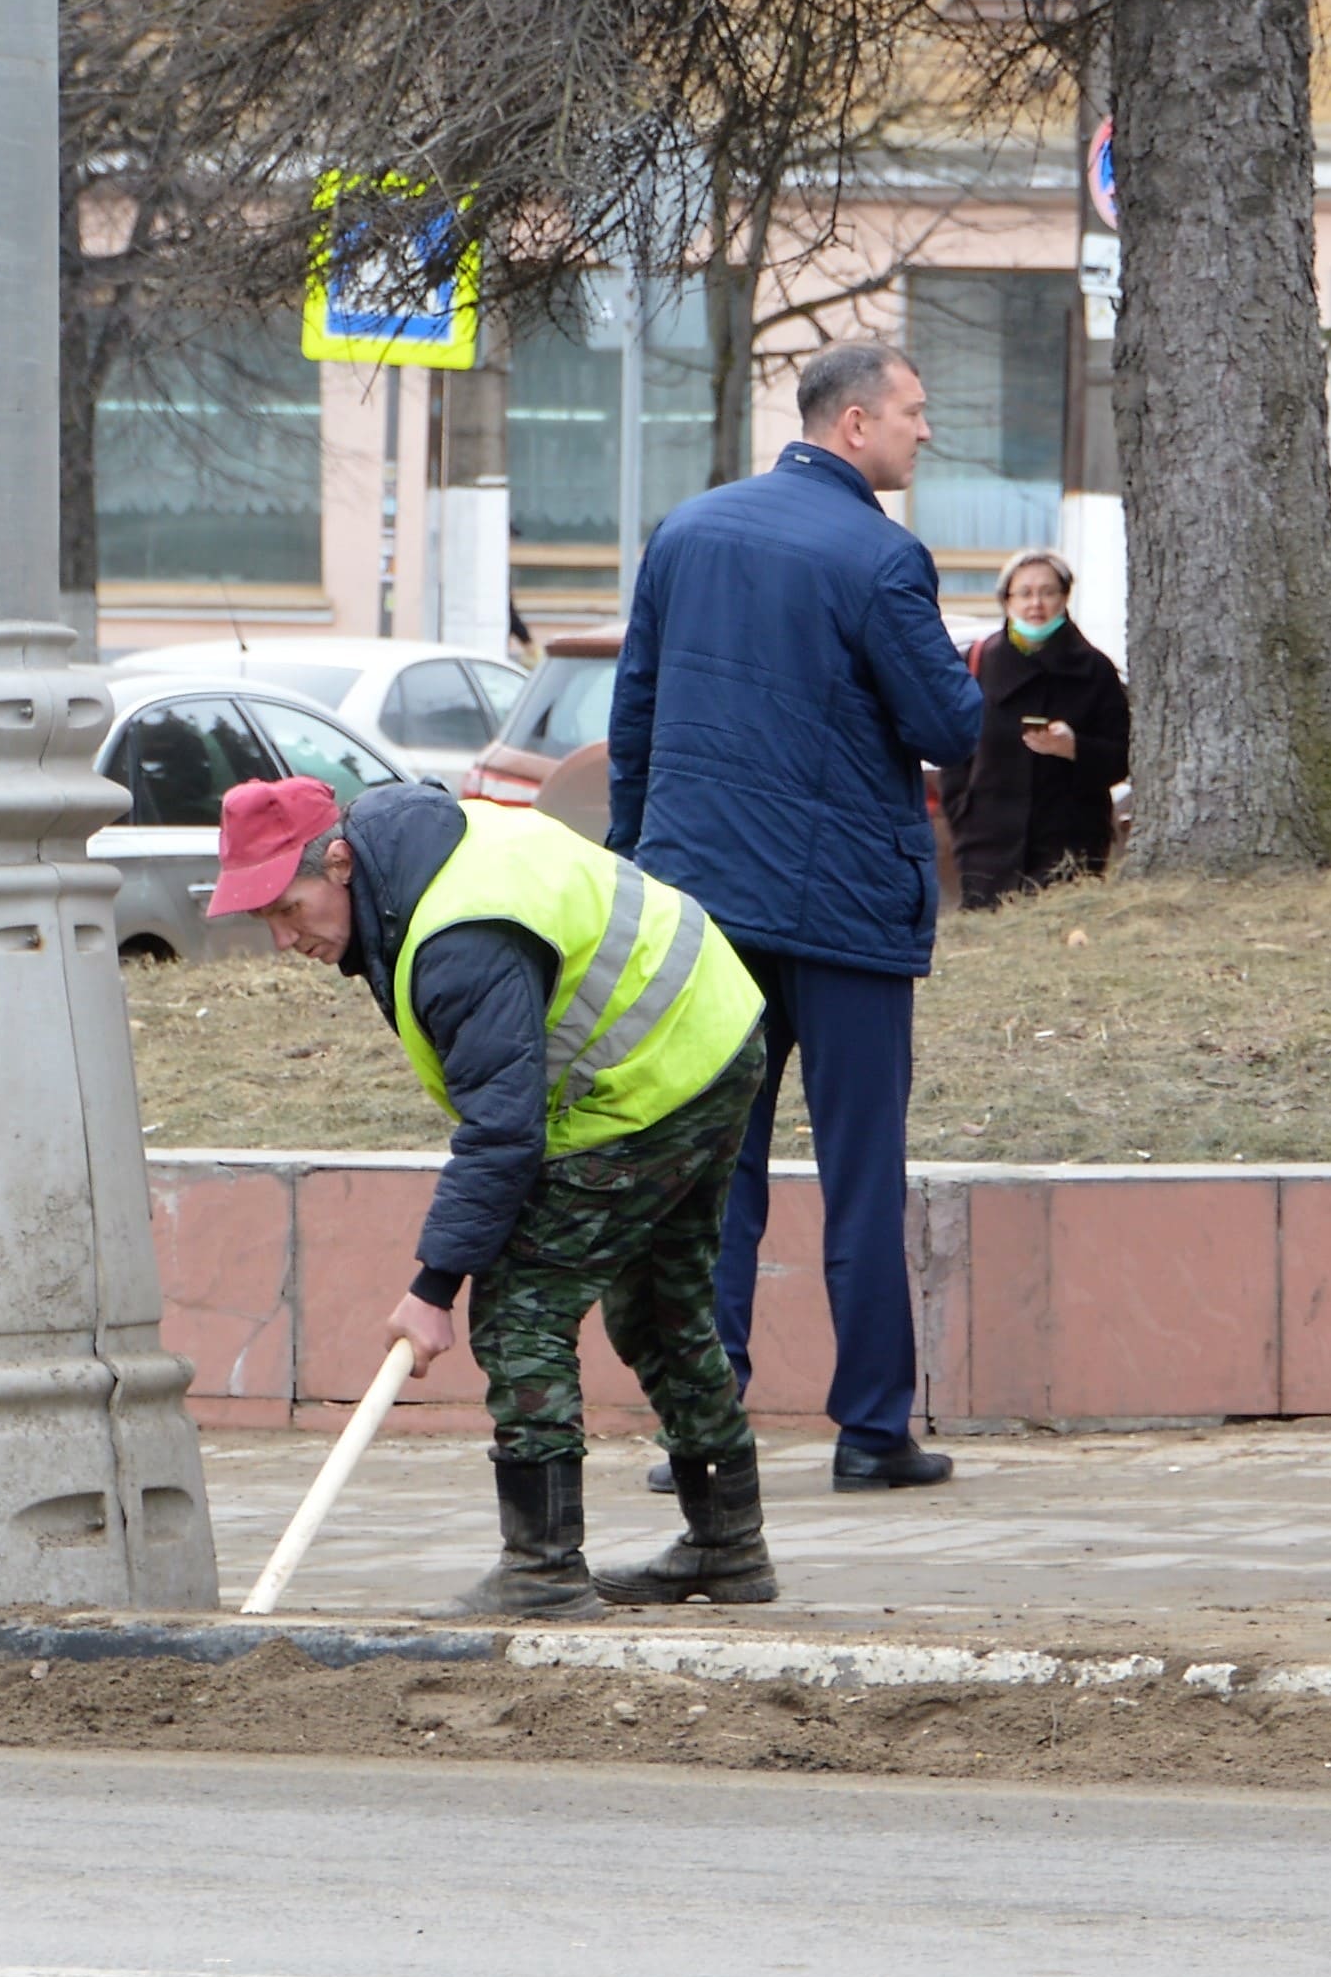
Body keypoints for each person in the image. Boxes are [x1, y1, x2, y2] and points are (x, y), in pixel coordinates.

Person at [212, 773, 776, 1616]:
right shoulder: (407, 861)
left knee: (520, 1308)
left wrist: (434, 1285)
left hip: (654, 1070)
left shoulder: (454, 938)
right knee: (661, 1300)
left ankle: (543, 1569)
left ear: (336, 863)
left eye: (287, 910)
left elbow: (502, 1132)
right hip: (710, 1032)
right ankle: (728, 1545)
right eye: (265, 922)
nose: (284, 939)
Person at [608, 341, 987, 1493]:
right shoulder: (880, 557)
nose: (926, 433)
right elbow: (950, 727)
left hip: (704, 908)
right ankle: (871, 1432)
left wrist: (640, 868)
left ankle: (701, 1431)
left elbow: (636, 718)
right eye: (915, 414)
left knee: (716, 1169)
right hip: (843, 918)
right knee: (861, 1173)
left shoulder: (684, 534)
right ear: (855, 422)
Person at [944, 548, 1130, 908]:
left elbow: (1123, 758)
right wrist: (962, 814)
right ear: (1007, 600)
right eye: (1025, 593)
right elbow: (953, 745)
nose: (1036, 604)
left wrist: (1075, 749)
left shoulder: (1095, 670)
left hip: (1069, 846)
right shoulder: (975, 664)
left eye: (1048, 592)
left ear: (1064, 598)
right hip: (987, 846)